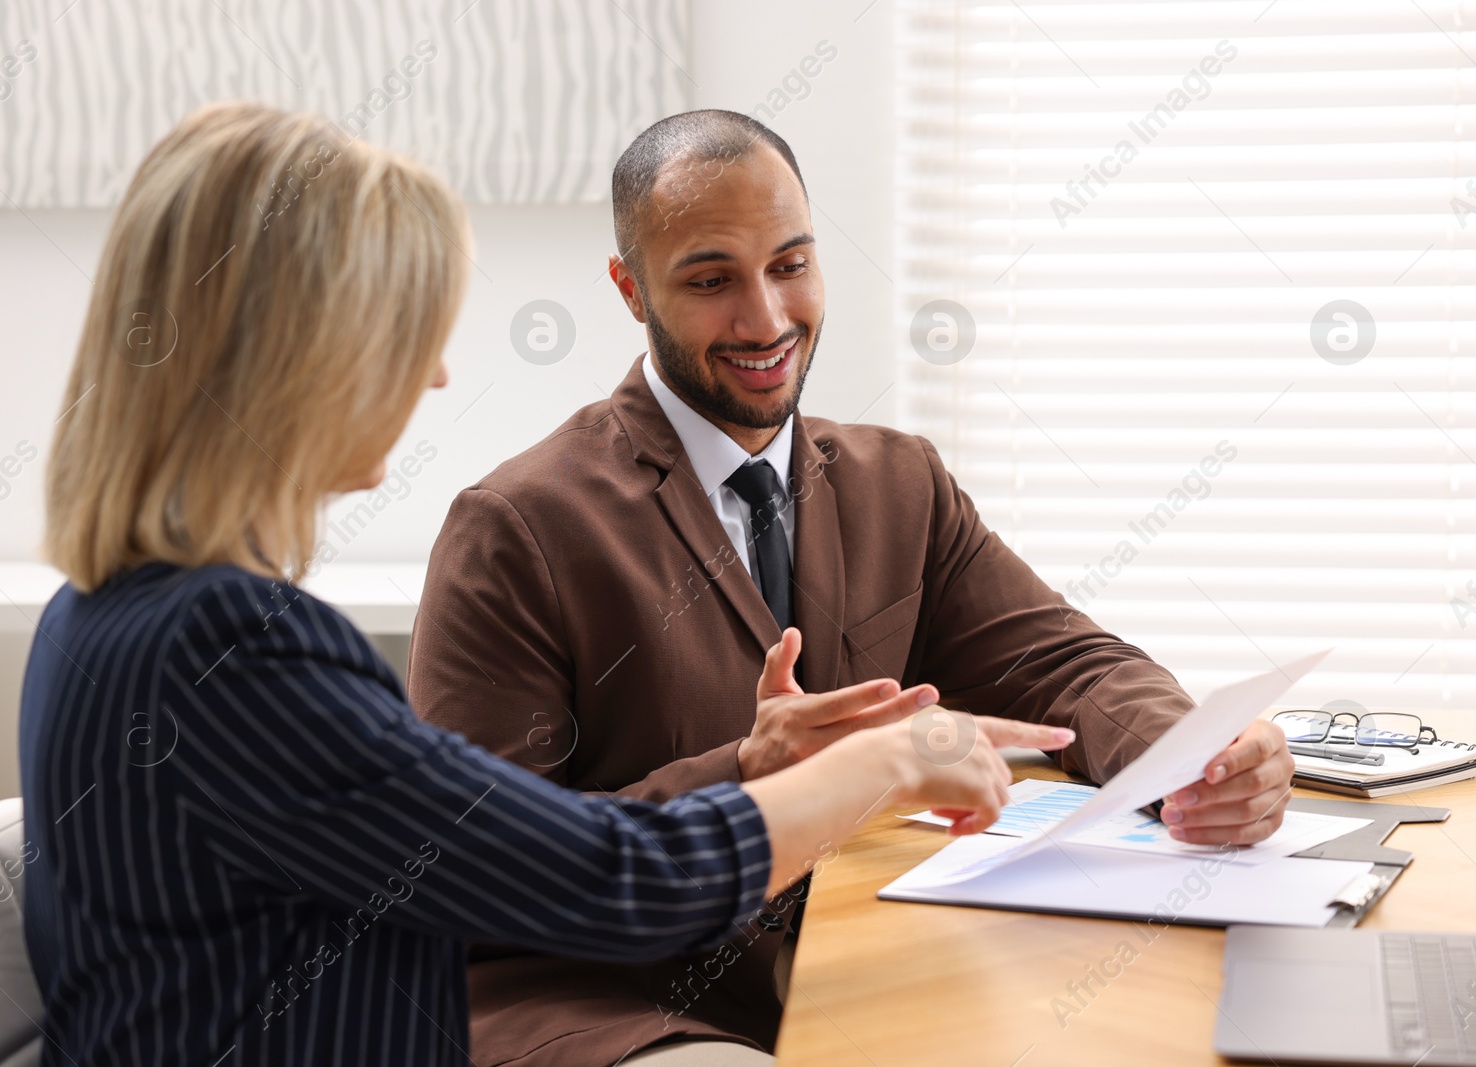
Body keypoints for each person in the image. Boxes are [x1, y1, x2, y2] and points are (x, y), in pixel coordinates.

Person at [17, 102, 1070, 1067]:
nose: (431, 376)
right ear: (292, 352)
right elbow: (606, 878)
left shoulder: (112, 615)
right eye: (404, 331)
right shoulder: (234, 649)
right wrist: (883, 762)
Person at [407, 109, 1298, 1066]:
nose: (765, 319)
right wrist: (747, 773)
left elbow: (1060, 662)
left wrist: (1194, 758)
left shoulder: (897, 481)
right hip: (615, 1005)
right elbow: (478, 867)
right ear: (631, 290)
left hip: (860, 952)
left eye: (790, 265)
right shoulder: (517, 527)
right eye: (711, 281)